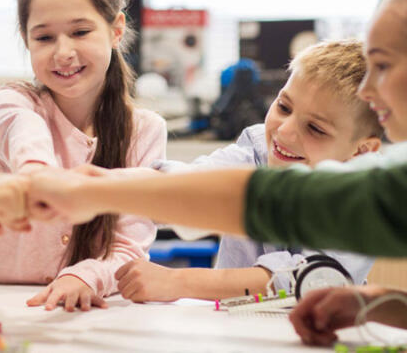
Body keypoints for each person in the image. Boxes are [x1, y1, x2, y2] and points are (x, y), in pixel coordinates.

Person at [27, 0, 407, 340]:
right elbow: (195, 184)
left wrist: (98, 193)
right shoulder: (259, 145)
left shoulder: (397, 178)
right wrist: (373, 303)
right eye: (283, 107)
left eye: (385, 66)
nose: (371, 91)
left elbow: (275, 211)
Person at [0, 0, 167, 312]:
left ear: (116, 30)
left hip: (85, 315)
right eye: (45, 37)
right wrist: (37, 172)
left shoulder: (145, 130)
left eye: (80, 32)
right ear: (27, 40)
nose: (63, 52)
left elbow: (130, 245)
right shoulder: (10, 103)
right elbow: (24, 133)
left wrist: (84, 276)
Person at [116, 40, 381, 302]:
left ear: (361, 151)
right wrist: (107, 186)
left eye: (315, 128)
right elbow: (191, 181)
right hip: (230, 324)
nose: (284, 131)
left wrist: (177, 281)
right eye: (284, 107)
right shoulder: (257, 151)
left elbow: (304, 279)